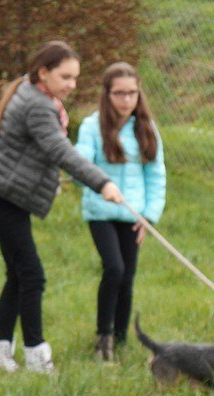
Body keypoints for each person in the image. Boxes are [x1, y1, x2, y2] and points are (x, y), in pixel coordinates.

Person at [0, 41, 123, 374]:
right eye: (65, 77)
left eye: (75, 77)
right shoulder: (38, 106)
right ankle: (36, 356)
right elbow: (61, 151)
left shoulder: (34, 92)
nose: (72, 84)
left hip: (2, 193)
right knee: (32, 275)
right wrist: (102, 183)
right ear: (43, 72)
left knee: (18, 273)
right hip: (0, 196)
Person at [75, 62, 166, 362]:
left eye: (132, 93)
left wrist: (149, 216)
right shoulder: (91, 127)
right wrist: (101, 184)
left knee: (127, 277)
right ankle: (103, 336)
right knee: (113, 268)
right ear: (107, 94)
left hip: (133, 215)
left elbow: (156, 175)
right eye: (119, 93)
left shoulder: (146, 128)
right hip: (100, 212)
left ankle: (121, 338)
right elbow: (79, 167)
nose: (126, 100)